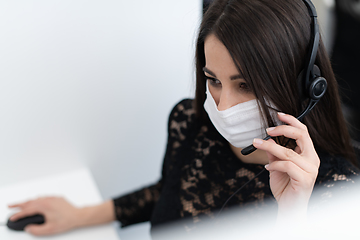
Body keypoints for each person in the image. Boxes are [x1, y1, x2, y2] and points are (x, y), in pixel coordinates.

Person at [8, 0, 359, 237]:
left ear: (303, 84)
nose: (222, 106)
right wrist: (79, 214)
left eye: (246, 85)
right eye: (213, 80)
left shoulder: (337, 191)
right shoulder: (189, 122)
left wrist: (292, 218)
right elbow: (171, 191)